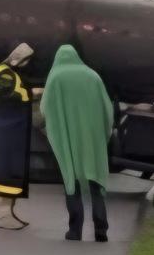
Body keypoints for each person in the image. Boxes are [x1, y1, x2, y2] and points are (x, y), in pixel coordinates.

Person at [41, 44, 114, 241]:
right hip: (91, 138)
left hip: (67, 138)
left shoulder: (55, 77)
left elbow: (45, 108)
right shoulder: (93, 76)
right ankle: (101, 230)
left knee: (70, 180)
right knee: (95, 181)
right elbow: (108, 109)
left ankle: (75, 231)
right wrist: (103, 135)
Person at [0, 43, 34, 229]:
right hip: (7, 130)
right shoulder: (4, 74)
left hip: (11, 130)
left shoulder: (8, 72)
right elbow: (6, 96)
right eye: (26, 60)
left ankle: (9, 212)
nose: (27, 63)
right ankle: (4, 215)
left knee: (12, 169)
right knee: (7, 170)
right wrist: (32, 93)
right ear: (17, 58)